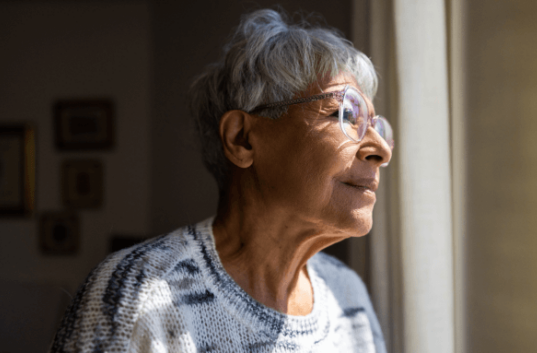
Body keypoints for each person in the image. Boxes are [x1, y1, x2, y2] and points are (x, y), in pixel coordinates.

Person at [50, 9, 393, 353]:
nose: (381, 150)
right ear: (242, 139)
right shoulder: (137, 295)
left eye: (377, 127)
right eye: (345, 115)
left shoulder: (347, 296)